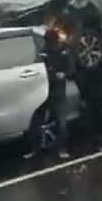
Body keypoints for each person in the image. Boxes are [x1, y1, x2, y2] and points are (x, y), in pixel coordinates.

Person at [44, 27, 72, 157]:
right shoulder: (47, 53)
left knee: (60, 123)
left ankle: (61, 148)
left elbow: (69, 69)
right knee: (55, 122)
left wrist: (62, 75)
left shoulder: (60, 53)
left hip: (54, 92)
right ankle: (56, 147)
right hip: (49, 92)